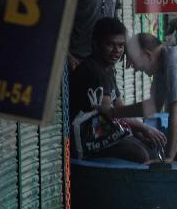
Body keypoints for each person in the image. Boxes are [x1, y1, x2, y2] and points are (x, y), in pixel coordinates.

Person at [68, 17, 165, 162]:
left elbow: (120, 108)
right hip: (88, 137)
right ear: (96, 44)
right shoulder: (93, 70)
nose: (117, 51)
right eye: (110, 45)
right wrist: (144, 128)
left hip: (106, 130)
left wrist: (138, 131)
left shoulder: (108, 70)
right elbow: (110, 113)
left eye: (121, 46)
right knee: (141, 154)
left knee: (151, 147)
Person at [106, 32, 177, 163]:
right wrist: (114, 112)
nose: (135, 70)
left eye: (134, 63)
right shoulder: (160, 61)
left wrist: (168, 159)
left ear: (147, 55)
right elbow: (153, 105)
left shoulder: (172, 59)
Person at [68, 0, 121, 71]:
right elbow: (60, 20)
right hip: (78, 59)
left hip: (105, 61)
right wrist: (67, 55)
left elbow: (115, 17)